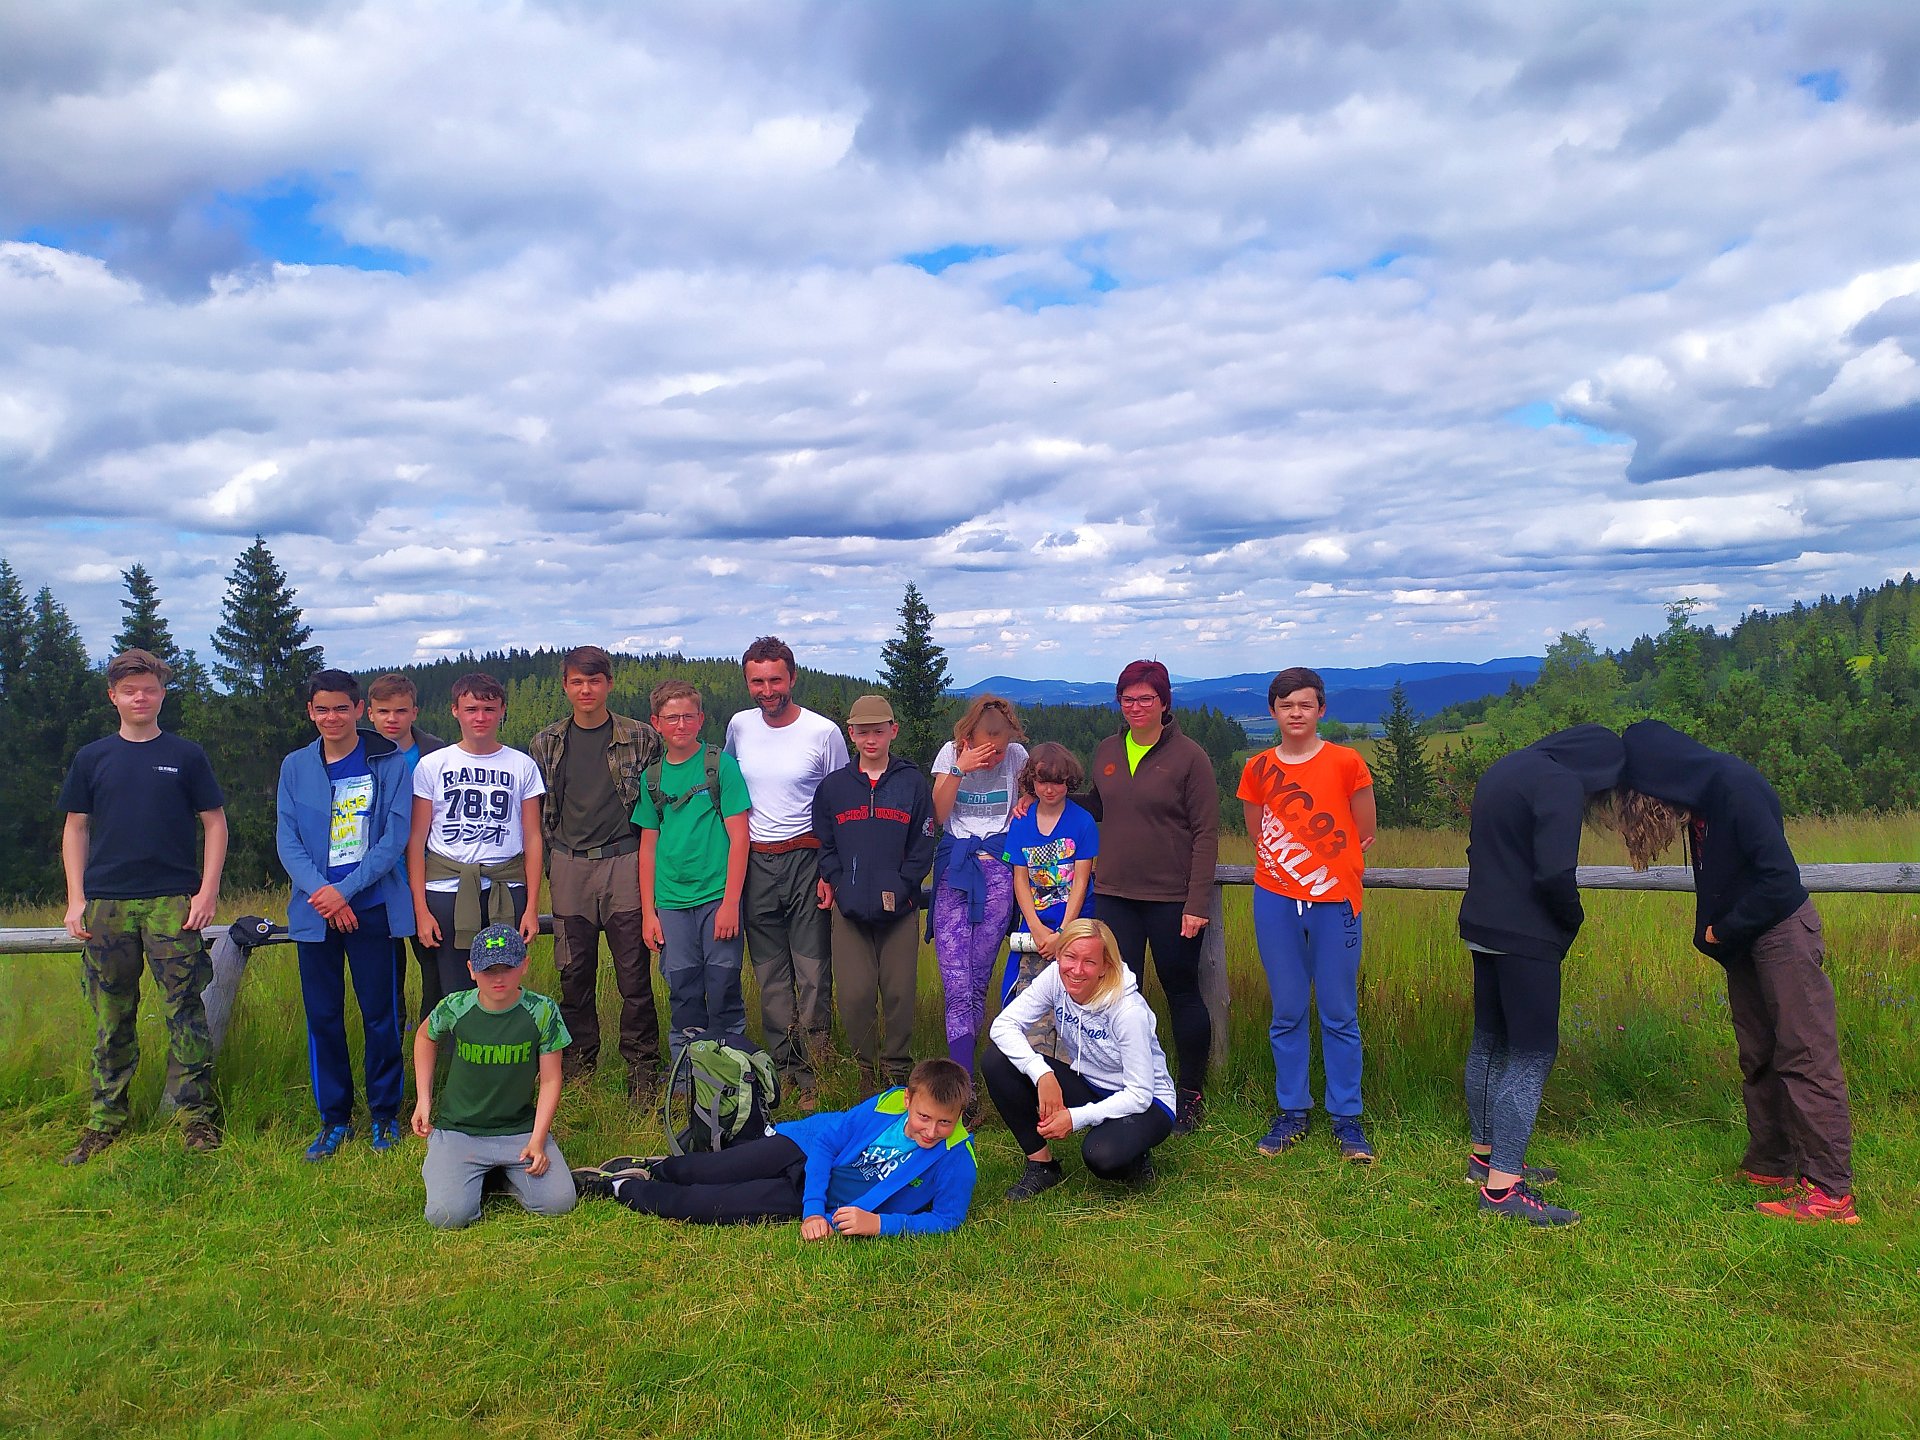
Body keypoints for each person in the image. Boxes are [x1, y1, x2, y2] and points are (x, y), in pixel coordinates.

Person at [1618, 719, 1858, 1225]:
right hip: (1747, 938)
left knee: (1806, 1054)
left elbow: (1780, 879)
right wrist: (1714, 935)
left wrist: (1720, 932)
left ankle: (1830, 1192)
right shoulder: (1701, 798)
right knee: (1759, 1054)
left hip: (1782, 932)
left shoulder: (1734, 785)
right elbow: (1721, 877)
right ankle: (1772, 1165)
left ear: (1659, 773)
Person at [57, 648, 228, 1164]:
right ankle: (105, 1121)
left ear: (161, 694)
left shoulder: (186, 755)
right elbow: (75, 828)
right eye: (130, 690)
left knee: (185, 1011)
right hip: (106, 903)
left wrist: (207, 891)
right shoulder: (92, 758)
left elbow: (215, 822)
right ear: (113, 696)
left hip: (172, 901)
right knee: (111, 1016)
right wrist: (76, 899)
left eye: (149, 689)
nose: (140, 698)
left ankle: (196, 1119)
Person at [1457, 723, 1624, 1227]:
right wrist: (1572, 919)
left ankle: (1484, 1158)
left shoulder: (1507, 767)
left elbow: (1478, 851)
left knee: (1490, 1041)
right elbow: (1554, 872)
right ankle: (1503, 1189)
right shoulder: (1560, 783)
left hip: (1481, 922)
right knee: (1531, 1055)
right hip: (1526, 934)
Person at [574, 1058, 976, 1236]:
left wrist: (879, 1224)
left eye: (945, 1122)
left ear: (960, 1114)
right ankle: (656, 1167)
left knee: (705, 1205)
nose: (931, 1131)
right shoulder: (886, 1102)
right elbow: (827, 1143)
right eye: (924, 1117)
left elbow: (947, 1219)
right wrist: (813, 1211)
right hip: (804, 1150)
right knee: (706, 1170)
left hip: (807, 1193)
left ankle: (616, 1187)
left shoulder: (958, 1158)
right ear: (907, 1100)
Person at [1236, 667, 1378, 1163]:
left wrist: (1325, 867)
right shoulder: (1257, 768)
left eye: (1305, 704)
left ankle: (1347, 1118)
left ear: (1321, 709)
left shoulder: (1346, 762)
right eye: (1286, 705)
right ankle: (1292, 1111)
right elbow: (1258, 831)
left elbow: (1365, 829)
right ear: (1272, 711)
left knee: (1339, 1012)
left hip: (1336, 900)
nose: (1296, 713)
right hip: (1275, 897)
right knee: (1288, 1010)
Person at [275, 669, 415, 1161]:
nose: (331, 717)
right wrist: (324, 894)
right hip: (315, 914)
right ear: (310, 713)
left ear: (358, 709)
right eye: (322, 709)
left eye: (341, 707)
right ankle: (334, 1119)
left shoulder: (389, 761)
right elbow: (287, 840)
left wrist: (346, 893)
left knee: (381, 1015)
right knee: (323, 1017)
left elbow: (393, 839)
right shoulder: (295, 766)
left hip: (372, 908)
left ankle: (385, 1114)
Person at [1082, 660, 1218, 1135]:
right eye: (1128, 699)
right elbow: (1097, 806)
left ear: (1164, 702)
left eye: (1146, 698)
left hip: (1171, 899)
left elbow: (1206, 833)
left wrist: (1196, 903)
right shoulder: (1107, 750)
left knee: (1182, 992)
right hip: (1114, 894)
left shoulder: (1189, 757)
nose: (1136, 707)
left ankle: (1190, 1094)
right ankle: (1128, 1088)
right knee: (1118, 995)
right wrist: (1042, 797)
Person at [528, 645, 665, 1099]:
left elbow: (658, 801)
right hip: (569, 864)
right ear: (565, 686)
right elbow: (541, 810)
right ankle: (578, 1067)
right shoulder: (546, 743)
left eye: (594, 681)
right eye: (577, 682)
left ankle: (643, 1070)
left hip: (625, 861)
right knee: (574, 975)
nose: (586, 690)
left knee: (634, 974)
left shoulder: (641, 737)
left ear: (609, 683)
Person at [724, 636, 850, 1108]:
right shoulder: (739, 726)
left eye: (775, 680)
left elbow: (841, 803)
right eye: (757, 681)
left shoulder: (823, 732)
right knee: (770, 973)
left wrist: (829, 872)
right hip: (756, 860)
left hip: (806, 858)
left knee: (812, 970)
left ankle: (816, 1069)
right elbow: (729, 790)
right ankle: (781, 1068)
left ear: (793, 678)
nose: (767, 690)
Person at [983, 918, 1177, 1199]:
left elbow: (1139, 1094)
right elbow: (1003, 1026)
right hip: (1089, 1082)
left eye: (1089, 962)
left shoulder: (1128, 1010)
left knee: (1102, 1156)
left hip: (1148, 1101)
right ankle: (1042, 1166)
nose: (1076, 970)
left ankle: (1135, 1152)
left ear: (1105, 967)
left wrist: (1075, 1118)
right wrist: (1041, 1073)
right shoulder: (1055, 977)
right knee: (997, 1060)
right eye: (1070, 957)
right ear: (1059, 955)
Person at [811, 695, 938, 1093]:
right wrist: (836, 882)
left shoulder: (912, 783)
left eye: (878, 732)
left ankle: (897, 1069)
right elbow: (825, 842)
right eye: (862, 732)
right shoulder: (834, 787)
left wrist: (904, 886)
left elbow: (924, 841)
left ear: (892, 731)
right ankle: (865, 1068)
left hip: (900, 907)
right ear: (851, 733)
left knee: (899, 992)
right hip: (848, 908)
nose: (871, 740)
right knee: (855, 994)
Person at [411, 925, 576, 1229]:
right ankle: (453, 1162)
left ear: (524, 965)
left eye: (507, 968)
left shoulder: (543, 1011)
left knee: (559, 1202)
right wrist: (424, 1099)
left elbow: (551, 1080)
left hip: (519, 1129)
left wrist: (538, 1140)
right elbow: (425, 1036)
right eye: (488, 970)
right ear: (472, 970)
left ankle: (500, 1175)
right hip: (460, 1129)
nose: (498, 979)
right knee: (447, 1216)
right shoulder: (456, 1006)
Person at [408, 672, 545, 998]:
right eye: (471, 709)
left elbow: (533, 837)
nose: (480, 717)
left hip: (505, 888)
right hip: (447, 890)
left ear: (502, 711)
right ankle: (454, 1035)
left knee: (503, 983)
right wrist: (421, 911)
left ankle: (503, 1033)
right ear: (455, 710)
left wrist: (532, 907)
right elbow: (416, 841)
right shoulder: (432, 765)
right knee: (454, 988)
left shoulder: (522, 765)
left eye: (489, 709)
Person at [637, 680, 752, 1062]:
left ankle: (730, 1070)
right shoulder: (652, 778)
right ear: (656, 723)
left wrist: (731, 903)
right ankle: (686, 1075)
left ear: (701, 719)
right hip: (671, 903)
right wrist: (649, 913)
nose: (681, 725)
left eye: (688, 716)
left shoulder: (720, 766)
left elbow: (740, 838)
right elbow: (647, 848)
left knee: (722, 986)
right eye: (671, 718)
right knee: (683, 990)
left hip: (717, 896)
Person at [928, 695, 1030, 1078]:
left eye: (999, 750)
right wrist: (960, 768)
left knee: (977, 981)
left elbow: (1038, 790)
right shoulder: (950, 753)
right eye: (986, 749)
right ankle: (962, 1081)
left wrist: (1027, 799)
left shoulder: (1017, 757)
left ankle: (964, 1078)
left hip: (999, 871)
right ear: (969, 737)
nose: (993, 758)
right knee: (956, 981)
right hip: (956, 870)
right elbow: (939, 815)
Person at [1000, 741, 1098, 1044]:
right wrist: (1036, 927)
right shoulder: (1021, 823)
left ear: (1069, 782)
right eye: (1042, 782)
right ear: (1032, 782)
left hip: (1076, 923)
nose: (1050, 789)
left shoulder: (1082, 822)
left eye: (1058, 782)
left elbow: (1081, 880)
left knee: (1076, 998)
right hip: (1035, 925)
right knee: (1022, 997)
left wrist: (1064, 932)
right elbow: (1020, 879)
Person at [365, 673, 446, 1027]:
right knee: (386, 975)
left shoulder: (437, 753)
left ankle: (433, 1044)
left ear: (415, 711)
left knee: (435, 971)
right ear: (369, 713)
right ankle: (393, 1046)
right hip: (377, 880)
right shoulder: (358, 754)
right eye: (383, 711)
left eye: (400, 711)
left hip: (429, 877)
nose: (392, 719)